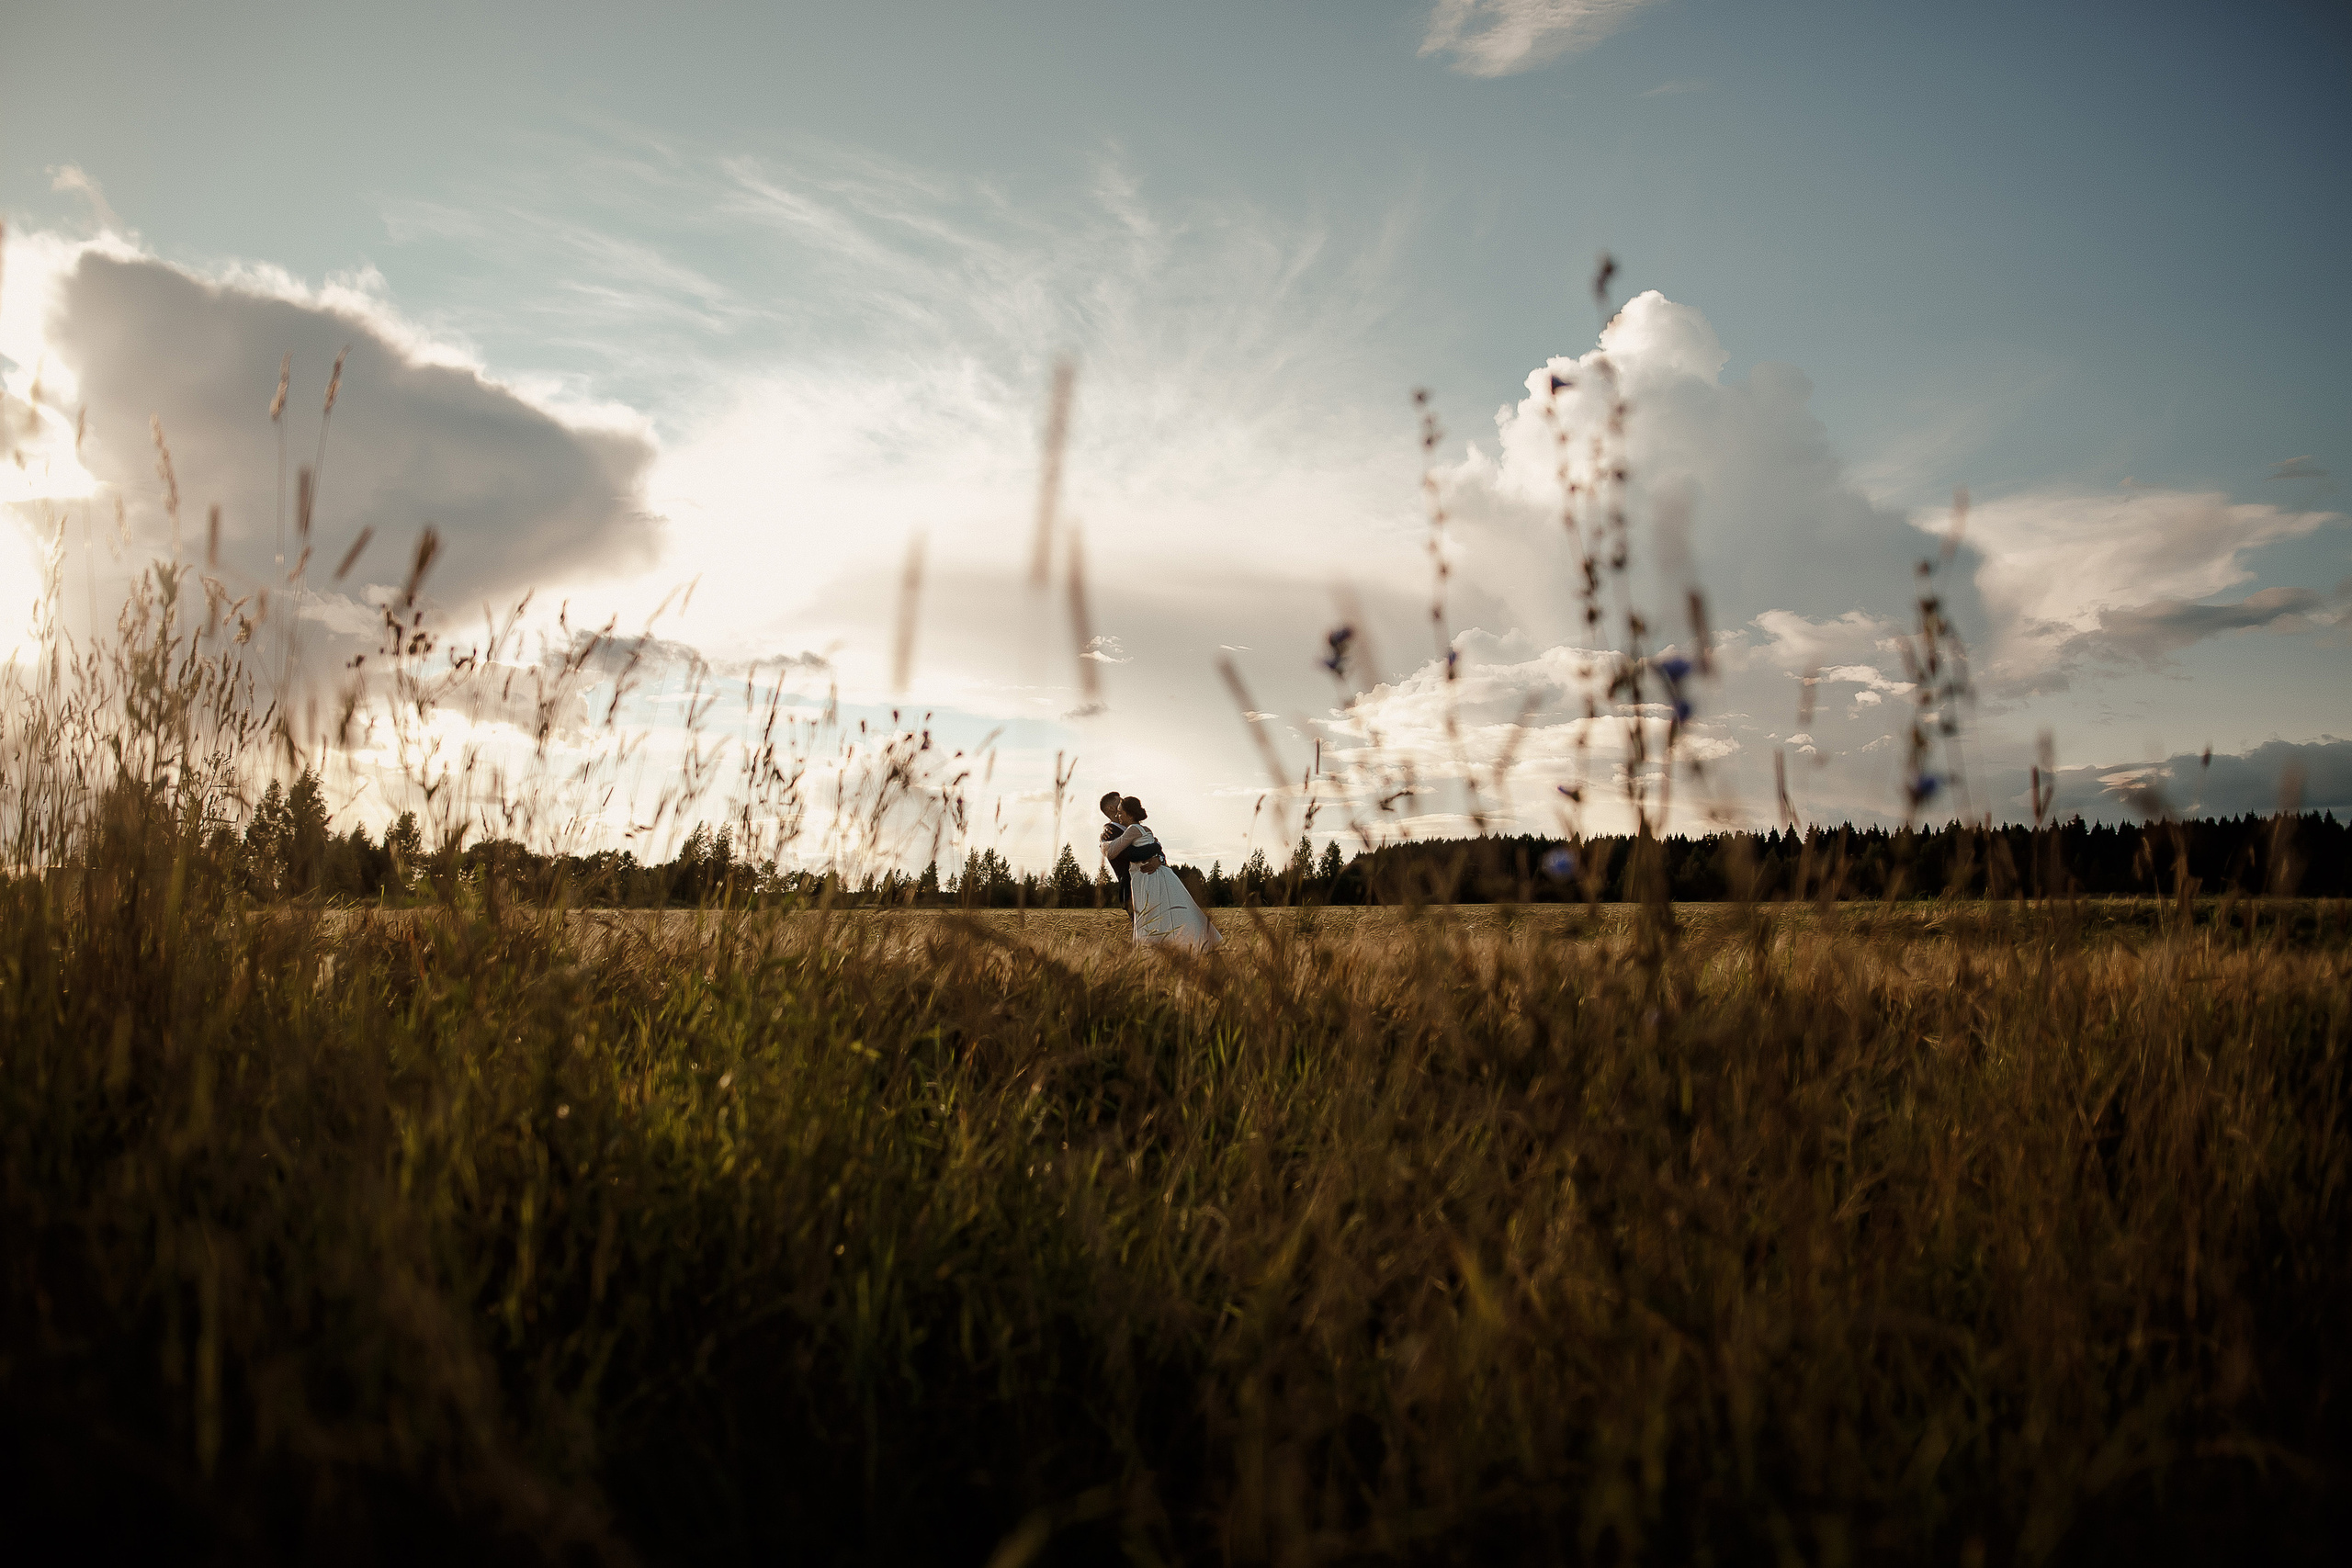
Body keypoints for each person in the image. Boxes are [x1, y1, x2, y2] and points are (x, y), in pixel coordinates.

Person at [1100, 795, 1222, 950]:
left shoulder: (1135, 828)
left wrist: (1158, 857)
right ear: (1111, 808)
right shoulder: (1110, 832)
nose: (1120, 808)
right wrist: (1156, 847)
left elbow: (1150, 851)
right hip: (1133, 888)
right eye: (1119, 802)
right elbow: (1133, 855)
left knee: (1164, 923)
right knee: (1148, 929)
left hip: (1150, 880)